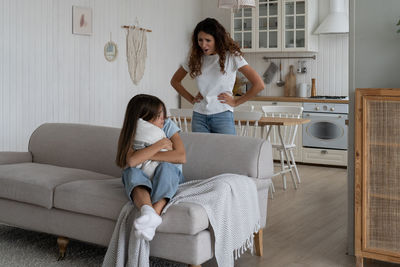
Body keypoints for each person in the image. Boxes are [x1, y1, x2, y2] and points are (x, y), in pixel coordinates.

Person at [170, 17, 264, 135]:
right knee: (202, 154)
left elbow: (259, 85)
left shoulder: (232, 57)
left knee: (228, 152)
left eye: (208, 40)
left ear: (217, 39)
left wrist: (236, 102)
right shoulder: (195, 58)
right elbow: (175, 81)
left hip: (222, 115)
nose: (203, 44)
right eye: (200, 40)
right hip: (199, 116)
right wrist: (192, 99)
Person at [115, 94, 186, 241]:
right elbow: (132, 161)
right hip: (143, 177)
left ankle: (155, 213)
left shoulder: (168, 126)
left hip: (170, 176)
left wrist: (144, 154)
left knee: (166, 167)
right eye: (159, 115)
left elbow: (180, 156)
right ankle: (148, 212)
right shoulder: (133, 129)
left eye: (163, 114)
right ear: (145, 116)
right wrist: (159, 145)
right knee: (130, 172)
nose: (163, 119)